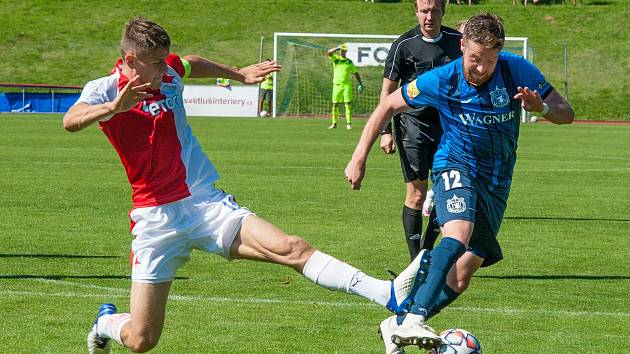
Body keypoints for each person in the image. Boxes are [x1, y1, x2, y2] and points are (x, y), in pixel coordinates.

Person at [63, 17, 429, 354]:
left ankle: (386, 293)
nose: (164, 66)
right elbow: (71, 120)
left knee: (290, 247)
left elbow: (190, 61)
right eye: (155, 62)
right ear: (130, 59)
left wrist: (239, 74)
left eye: (164, 60)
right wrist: (114, 106)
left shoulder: (170, 70)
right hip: (155, 219)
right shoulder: (105, 89)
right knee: (142, 340)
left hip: (204, 203)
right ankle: (106, 322)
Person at [345, 13, 574, 351]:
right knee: (458, 231)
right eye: (475, 59)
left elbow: (565, 112)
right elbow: (388, 105)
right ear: (462, 46)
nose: (482, 68)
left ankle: (395, 323)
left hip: (496, 181)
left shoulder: (515, 70)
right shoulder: (443, 79)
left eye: (490, 61)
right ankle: (413, 320)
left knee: (464, 273)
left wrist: (540, 108)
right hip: (455, 164)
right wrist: (359, 156)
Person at [379, 0, 462, 272]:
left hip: (449, 128)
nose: (429, 16)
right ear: (416, 12)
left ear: (443, 11)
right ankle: (416, 261)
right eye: (424, 10)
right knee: (416, 194)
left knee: (445, 192)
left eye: (434, 10)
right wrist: (385, 131)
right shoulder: (404, 45)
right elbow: (388, 92)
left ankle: (428, 250)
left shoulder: (458, 41)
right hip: (411, 127)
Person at [327, 43, 364, 130]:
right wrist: (336, 48)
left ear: (346, 51)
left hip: (346, 85)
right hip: (337, 85)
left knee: (347, 104)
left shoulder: (349, 62)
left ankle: (349, 123)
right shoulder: (336, 59)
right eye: (341, 50)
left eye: (343, 50)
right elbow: (329, 53)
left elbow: (356, 73)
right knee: (335, 104)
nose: (342, 52)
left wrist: (360, 83)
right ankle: (334, 123)